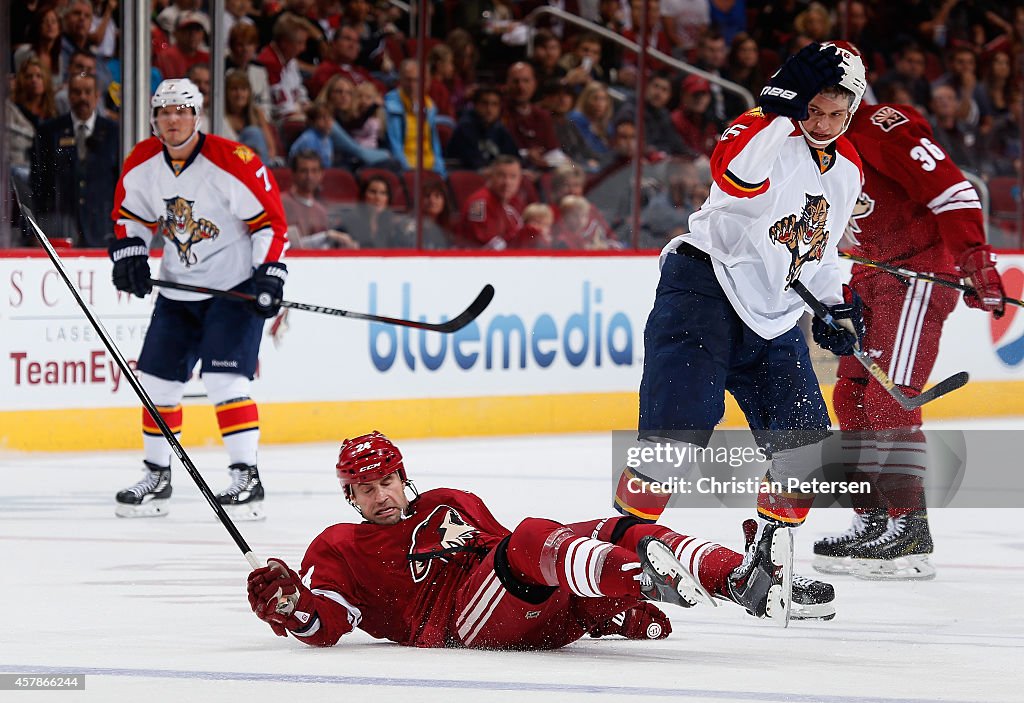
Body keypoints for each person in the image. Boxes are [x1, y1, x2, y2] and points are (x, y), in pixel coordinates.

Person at [610, 43, 868, 622]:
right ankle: (623, 557)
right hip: (703, 295)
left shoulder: (848, 165)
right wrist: (779, 112)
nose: (823, 124)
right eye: (814, 111)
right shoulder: (755, 131)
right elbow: (736, 181)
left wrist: (835, 306)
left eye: (837, 114)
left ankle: (769, 569)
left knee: (804, 445)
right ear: (797, 101)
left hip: (773, 318)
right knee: (675, 441)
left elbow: (823, 253)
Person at [245, 432, 796, 648]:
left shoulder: (446, 501)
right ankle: (641, 578)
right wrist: (290, 607)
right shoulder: (337, 546)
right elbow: (325, 623)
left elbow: (520, 561)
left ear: (402, 476)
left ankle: (736, 577)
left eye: (387, 482)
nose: (380, 496)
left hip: (517, 607)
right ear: (351, 498)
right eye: (366, 490)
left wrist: (596, 613)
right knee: (532, 537)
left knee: (613, 528)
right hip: (456, 625)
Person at [813, 93, 1006, 581]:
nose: (815, 113)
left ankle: (910, 529)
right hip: (870, 277)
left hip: (918, 275)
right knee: (853, 398)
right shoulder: (808, 138)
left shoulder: (881, 126)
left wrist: (975, 258)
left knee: (888, 402)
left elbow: (953, 190)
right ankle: (874, 517)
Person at [106, 78, 289, 520]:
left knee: (226, 382)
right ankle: (158, 473)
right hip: (177, 289)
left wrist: (269, 278)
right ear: (154, 119)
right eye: (164, 111)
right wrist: (129, 256)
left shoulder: (233, 161)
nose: (172, 119)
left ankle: (247, 476)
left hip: (234, 290)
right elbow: (128, 216)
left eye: (181, 110)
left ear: (197, 115)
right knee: (156, 383)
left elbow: (271, 222)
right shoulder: (143, 162)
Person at [30, 71, 119, 248]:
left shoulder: (114, 132)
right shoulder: (49, 131)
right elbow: (38, 183)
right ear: (69, 95)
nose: (82, 98)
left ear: (97, 95)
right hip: (60, 225)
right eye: (76, 92)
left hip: (102, 228)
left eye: (87, 92)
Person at [280, 149, 358, 249]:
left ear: (321, 174)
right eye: (304, 171)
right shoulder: (281, 203)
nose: (309, 176)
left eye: (314, 171)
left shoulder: (321, 210)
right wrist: (325, 236)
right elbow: (288, 245)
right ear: (294, 174)